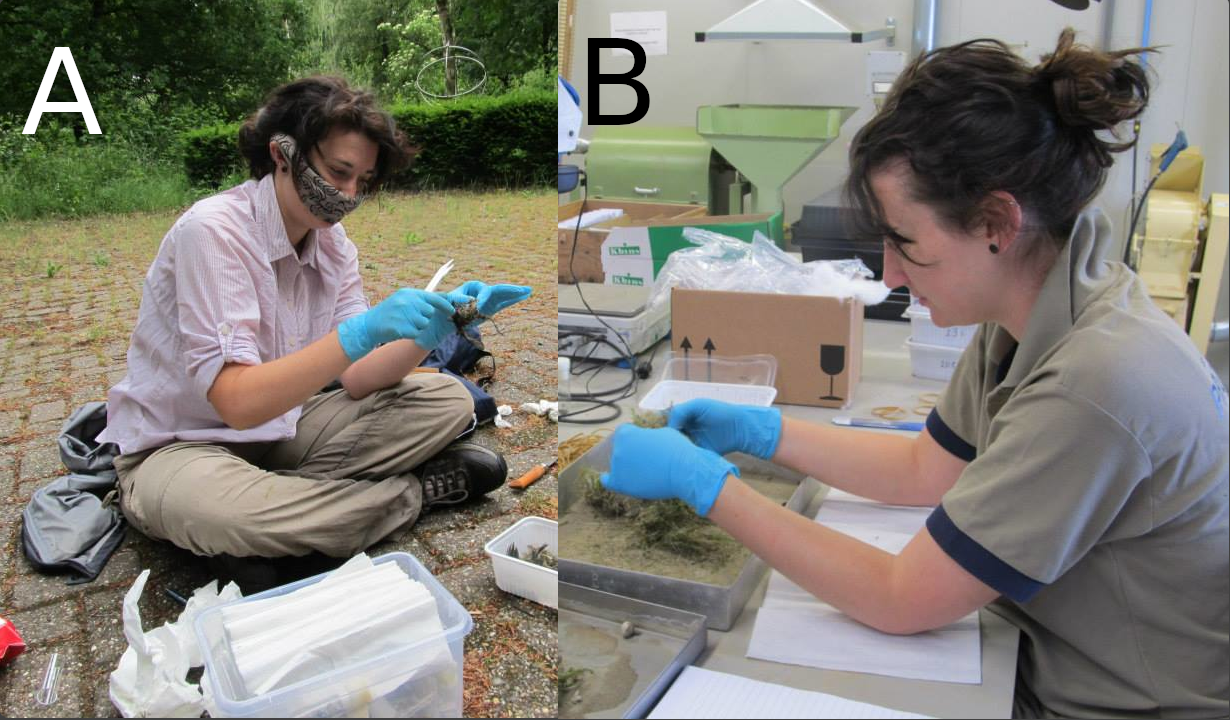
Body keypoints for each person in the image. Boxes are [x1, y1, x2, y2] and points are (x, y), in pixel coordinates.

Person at [600, 29, 1228, 718]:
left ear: (996, 221)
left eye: (904, 241)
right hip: (1042, 650)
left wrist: (705, 488)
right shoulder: (1034, 307)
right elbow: (927, 468)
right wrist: (760, 431)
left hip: (1109, 703)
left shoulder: (1096, 382)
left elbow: (902, 598)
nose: (891, 274)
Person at [98, 76, 531, 590]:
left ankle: (289, 519)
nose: (347, 195)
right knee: (229, 514)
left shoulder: (333, 245)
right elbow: (235, 403)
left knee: (449, 399)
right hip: (179, 448)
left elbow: (361, 380)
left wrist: (438, 327)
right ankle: (408, 494)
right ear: (284, 154)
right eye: (338, 172)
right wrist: (359, 331)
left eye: (362, 181)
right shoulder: (214, 232)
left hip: (282, 429)